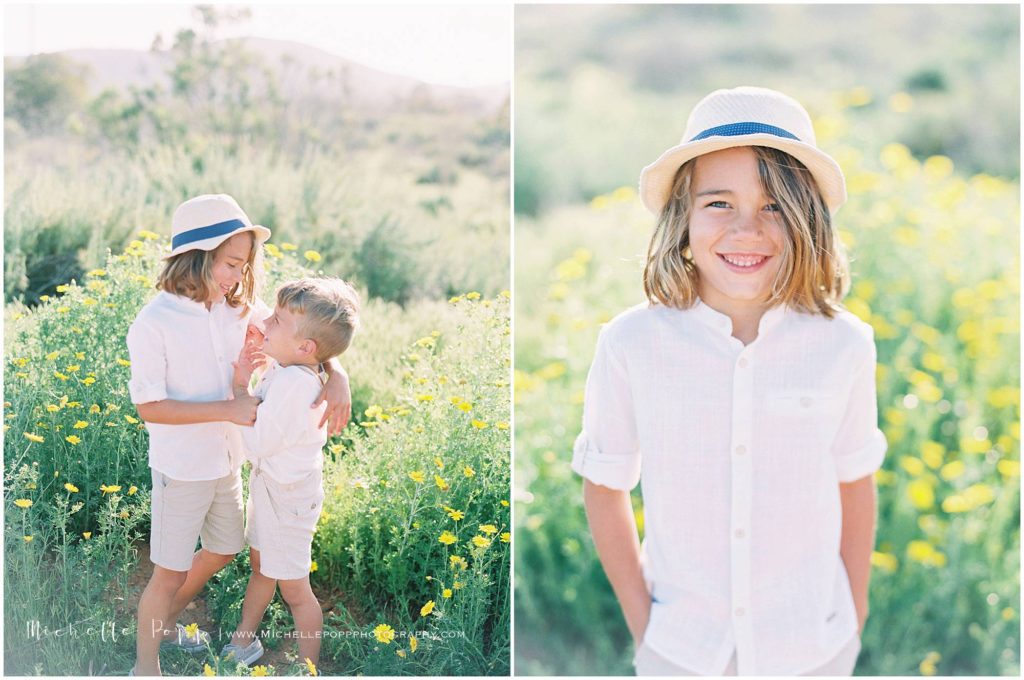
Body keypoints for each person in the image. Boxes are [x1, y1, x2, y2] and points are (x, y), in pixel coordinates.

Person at [571, 86, 886, 676]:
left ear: (807, 221)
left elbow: (855, 481)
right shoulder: (632, 343)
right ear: (682, 218)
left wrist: (855, 614)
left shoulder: (844, 344)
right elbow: (605, 484)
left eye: (774, 206)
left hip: (811, 647)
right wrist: (646, 628)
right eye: (719, 204)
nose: (748, 230)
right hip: (682, 649)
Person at [127, 194, 352, 676]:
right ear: (198, 255)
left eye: (243, 264)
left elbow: (304, 339)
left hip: (228, 462)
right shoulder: (154, 323)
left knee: (225, 547)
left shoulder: (238, 311)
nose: (237, 275)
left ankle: (165, 620)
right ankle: (146, 665)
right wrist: (230, 405)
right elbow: (149, 407)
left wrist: (337, 374)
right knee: (167, 572)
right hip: (181, 467)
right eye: (230, 263)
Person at [219, 277, 361, 671]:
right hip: (272, 489)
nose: (266, 324)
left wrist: (239, 387)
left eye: (277, 321)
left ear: (306, 347)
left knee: (296, 591)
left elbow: (258, 442)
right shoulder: (290, 366)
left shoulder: (297, 385)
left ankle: (307, 668)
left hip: (289, 500)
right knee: (261, 567)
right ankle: (243, 641)